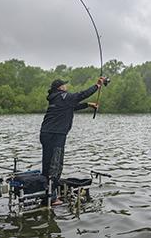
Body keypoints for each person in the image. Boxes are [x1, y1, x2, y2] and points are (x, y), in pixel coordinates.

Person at [40, 77, 105, 206]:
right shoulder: (63, 96)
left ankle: (45, 192)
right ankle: (52, 198)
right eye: (64, 85)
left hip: (45, 134)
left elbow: (71, 107)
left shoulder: (56, 98)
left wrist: (88, 105)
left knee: (47, 165)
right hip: (56, 135)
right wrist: (97, 86)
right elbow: (81, 95)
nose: (66, 86)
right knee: (56, 166)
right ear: (60, 87)